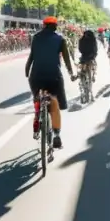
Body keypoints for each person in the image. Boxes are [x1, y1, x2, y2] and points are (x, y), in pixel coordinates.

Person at [26, 16, 76, 148]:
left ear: (43, 25)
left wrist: (27, 71)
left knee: (37, 97)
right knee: (54, 103)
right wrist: (71, 73)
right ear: (56, 26)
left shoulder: (36, 37)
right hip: (54, 77)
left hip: (36, 76)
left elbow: (32, 56)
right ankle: (57, 136)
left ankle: (37, 115)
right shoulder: (60, 39)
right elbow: (66, 59)